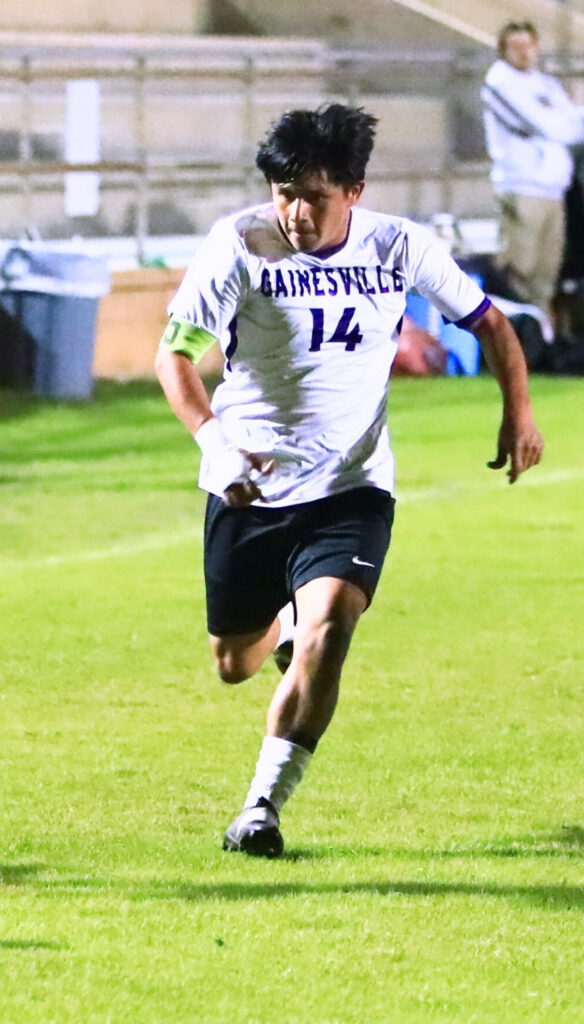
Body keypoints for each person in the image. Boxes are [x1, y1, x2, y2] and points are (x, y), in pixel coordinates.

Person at [154, 103, 544, 859]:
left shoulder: (400, 246)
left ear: (354, 192)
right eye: (283, 193)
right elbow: (176, 357)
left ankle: (262, 807)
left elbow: (492, 323)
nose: (295, 212)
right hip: (252, 485)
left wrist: (518, 415)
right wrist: (218, 443)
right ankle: (287, 629)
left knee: (332, 630)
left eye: (313, 195)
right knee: (234, 664)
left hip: (354, 484)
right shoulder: (238, 244)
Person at [481, 20, 584, 313]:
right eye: (517, 47)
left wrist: (568, 122)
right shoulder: (499, 83)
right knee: (517, 271)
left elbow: (572, 122)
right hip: (522, 187)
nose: (525, 53)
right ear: (504, 50)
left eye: (529, 45)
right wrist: (566, 123)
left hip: (553, 189)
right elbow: (553, 128)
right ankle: (503, 339)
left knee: (546, 273)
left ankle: (536, 341)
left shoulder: (545, 83)